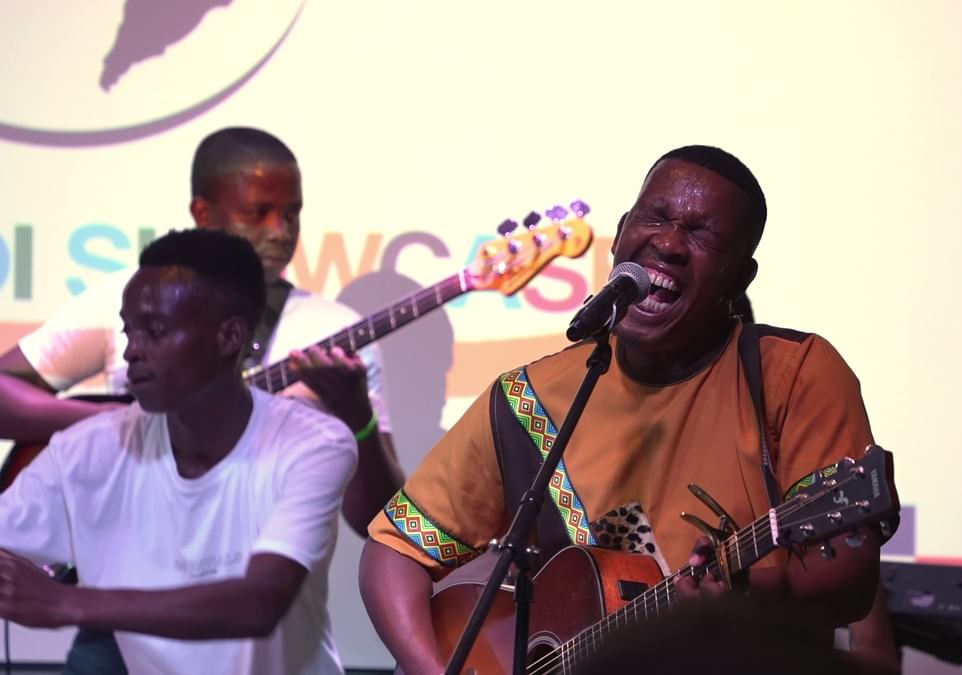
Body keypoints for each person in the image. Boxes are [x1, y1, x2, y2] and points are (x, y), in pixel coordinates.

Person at [358, 145, 899, 674]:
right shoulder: (529, 397)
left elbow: (848, 582)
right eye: (655, 217)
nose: (669, 242)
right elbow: (395, 550)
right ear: (619, 234)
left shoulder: (794, 373)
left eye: (703, 235)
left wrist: (737, 604)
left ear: (740, 277)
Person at [0, 126, 403, 672]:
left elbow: (261, 601)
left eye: (291, 214)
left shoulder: (317, 426)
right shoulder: (91, 442)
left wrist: (62, 603)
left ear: (231, 337)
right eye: (259, 212)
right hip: (115, 632)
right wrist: (104, 417)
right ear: (203, 211)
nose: (280, 231)